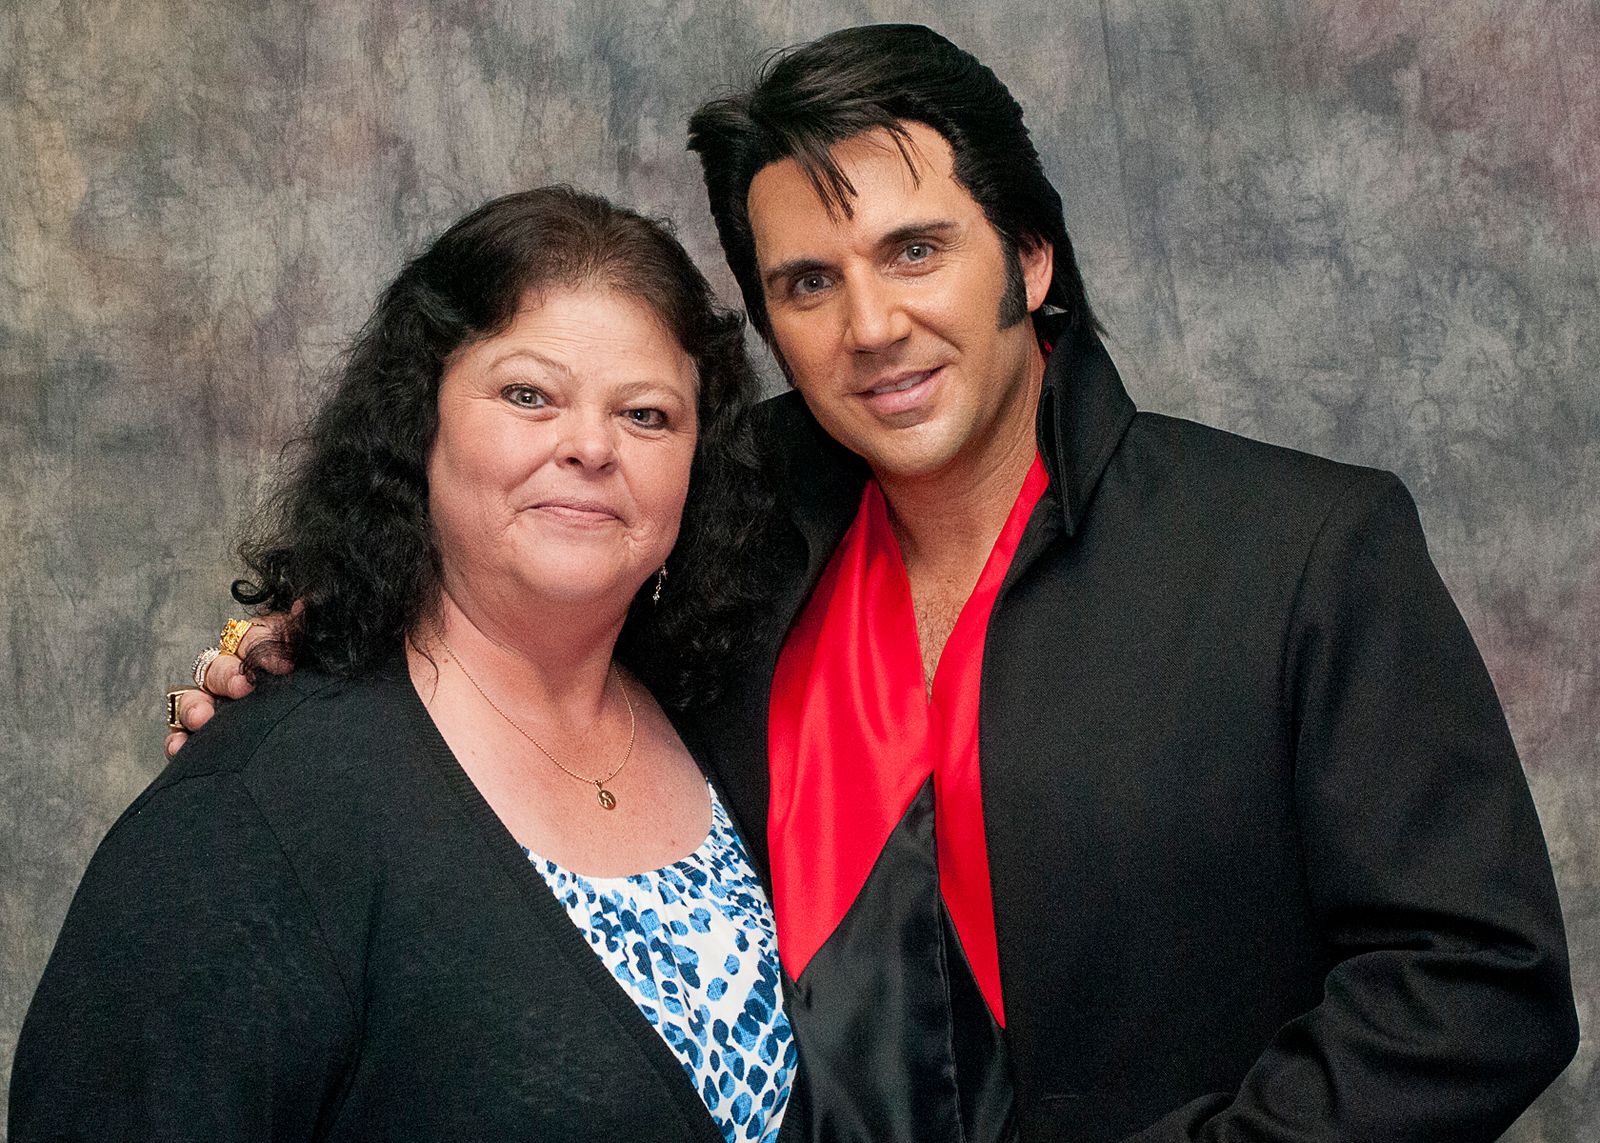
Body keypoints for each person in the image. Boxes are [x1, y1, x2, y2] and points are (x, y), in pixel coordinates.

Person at [161, 23, 1580, 1143]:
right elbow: (511, 613)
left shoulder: (1298, 549)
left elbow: (1479, 982)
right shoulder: (710, 520)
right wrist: (316, 656)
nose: (871, 326)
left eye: (914, 251)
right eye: (807, 283)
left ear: (1030, 257)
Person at [10, 187, 797, 1142]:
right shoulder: (258, 809)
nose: (591, 446)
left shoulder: (733, 721)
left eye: (646, 414)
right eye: (528, 395)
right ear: (418, 422)